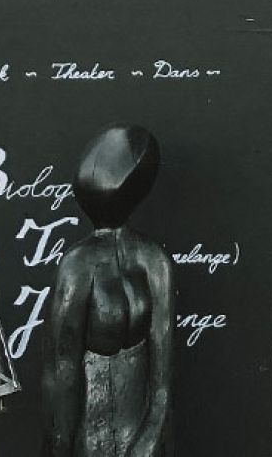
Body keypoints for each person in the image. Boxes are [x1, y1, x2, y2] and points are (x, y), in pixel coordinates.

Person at [43, 124, 173, 457]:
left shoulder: (153, 260)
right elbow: (63, 374)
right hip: (92, 431)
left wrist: (152, 435)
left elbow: (162, 376)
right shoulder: (79, 264)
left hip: (139, 429)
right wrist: (60, 447)